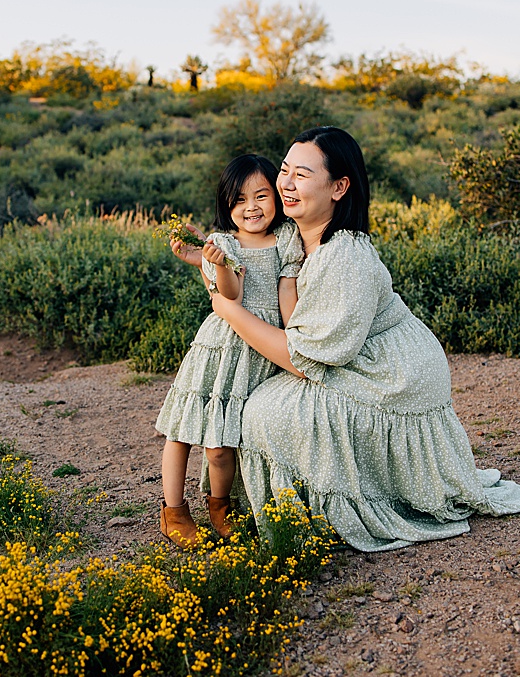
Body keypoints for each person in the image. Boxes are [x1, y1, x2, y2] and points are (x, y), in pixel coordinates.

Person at [199, 126, 520, 551]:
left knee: (263, 412)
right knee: (258, 402)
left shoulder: (345, 254)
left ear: (339, 187)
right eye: (284, 171)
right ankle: (276, 502)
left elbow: (301, 357)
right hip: (352, 357)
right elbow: (263, 284)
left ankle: (334, 505)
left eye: (302, 174)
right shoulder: (297, 234)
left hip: (391, 373)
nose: (286, 184)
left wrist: (229, 311)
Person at [156, 154, 302, 546]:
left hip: (260, 347)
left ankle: (219, 506)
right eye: (239, 200)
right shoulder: (220, 243)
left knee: (224, 443)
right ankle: (173, 511)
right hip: (220, 348)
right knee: (184, 430)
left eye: (260, 196)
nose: (251, 207)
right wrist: (217, 263)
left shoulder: (286, 238)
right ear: (226, 205)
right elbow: (231, 294)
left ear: (277, 196)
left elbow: (288, 285)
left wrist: (293, 335)